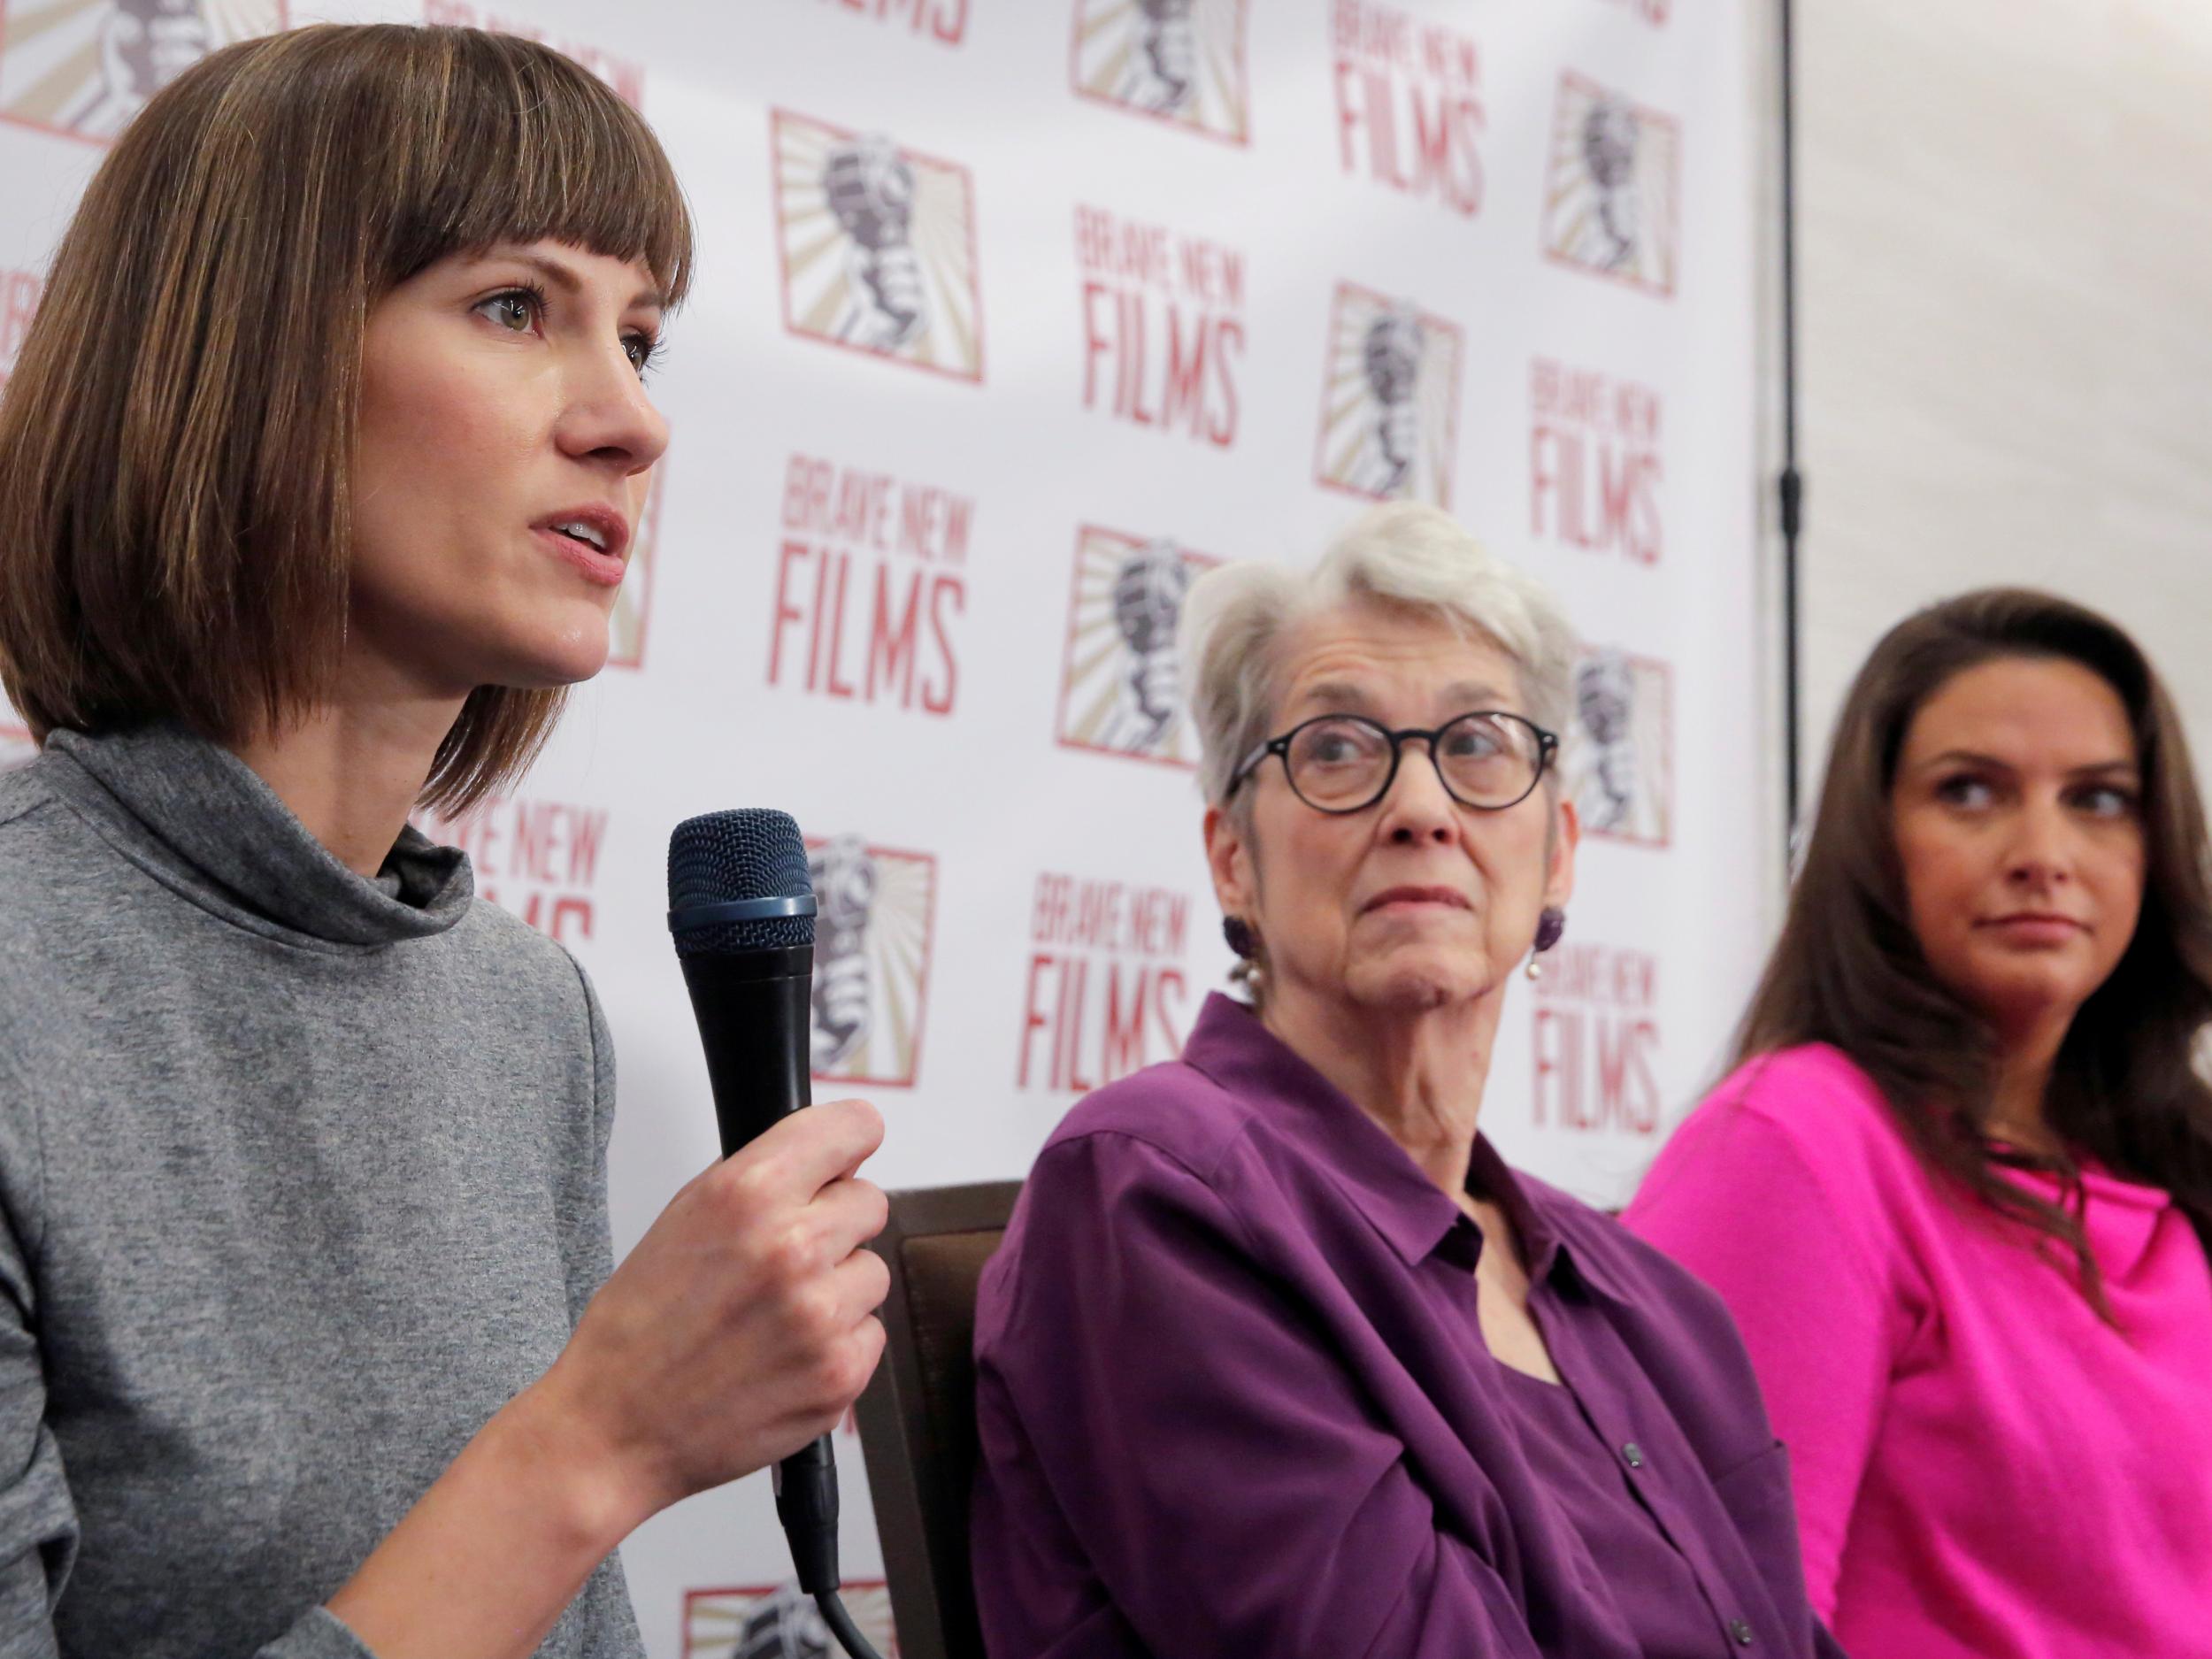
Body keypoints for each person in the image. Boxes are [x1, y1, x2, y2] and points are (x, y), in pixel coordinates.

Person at [0, 26, 891, 1659]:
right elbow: (553, 1502)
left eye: (640, 339)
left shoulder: (522, 1018)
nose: (632, 421)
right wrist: (595, 1443)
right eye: (513, 308)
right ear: (237, 355)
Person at [971, 503, 1842, 1658]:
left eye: (1478, 745)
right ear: (1235, 857)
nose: (1421, 809)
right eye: (1336, 749)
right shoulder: (1155, 1187)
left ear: (1559, 851)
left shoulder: (1664, 1311)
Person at [1625, 589, 2212, 1658]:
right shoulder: (1795, 1142)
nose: (2044, 851)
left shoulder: (2179, 1179)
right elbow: (1708, 1625)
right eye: (1970, 792)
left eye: (2098, 800)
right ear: (1872, 838)